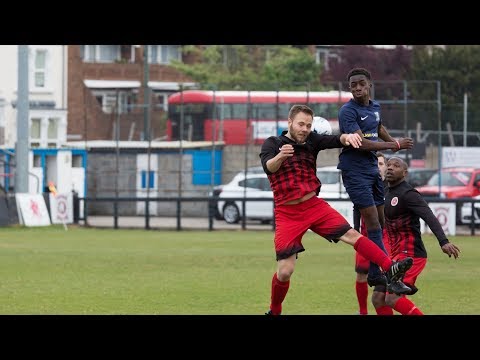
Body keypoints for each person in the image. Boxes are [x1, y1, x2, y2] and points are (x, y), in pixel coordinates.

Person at [259, 104, 413, 315]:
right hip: (287, 213)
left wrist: (347, 138)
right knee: (285, 271)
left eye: (308, 125)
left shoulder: (312, 140)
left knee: (352, 235)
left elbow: (335, 140)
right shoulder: (273, 143)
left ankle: (390, 268)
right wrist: (280, 156)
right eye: (301, 124)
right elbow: (269, 167)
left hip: (313, 205)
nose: (305, 129)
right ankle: (275, 310)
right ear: (290, 123)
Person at [338, 67, 414, 293]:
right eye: (353, 85)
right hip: (354, 171)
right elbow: (361, 143)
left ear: (369, 84)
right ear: (349, 88)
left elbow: (378, 127)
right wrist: (394, 145)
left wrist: (393, 147)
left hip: (371, 169)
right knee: (371, 222)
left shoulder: (375, 108)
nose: (358, 88)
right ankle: (387, 272)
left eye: (361, 83)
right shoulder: (347, 111)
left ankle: (373, 273)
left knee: (380, 223)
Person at [382, 156, 460, 315]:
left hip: (411, 255)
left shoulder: (409, 194)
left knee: (392, 299)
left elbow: (429, 216)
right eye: (388, 165)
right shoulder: (385, 191)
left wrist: (443, 241)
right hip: (394, 254)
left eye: (395, 166)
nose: (390, 168)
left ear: (404, 173)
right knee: (378, 297)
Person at [353, 152, 393, 315]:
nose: (377, 167)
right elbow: (357, 207)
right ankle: (363, 311)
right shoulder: (364, 185)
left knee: (384, 282)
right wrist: (356, 231)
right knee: (361, 274)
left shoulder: (392, 188)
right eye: (374, 163)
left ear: (386, 167)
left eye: (381, 164)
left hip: (387, 239)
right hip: (365, 236)